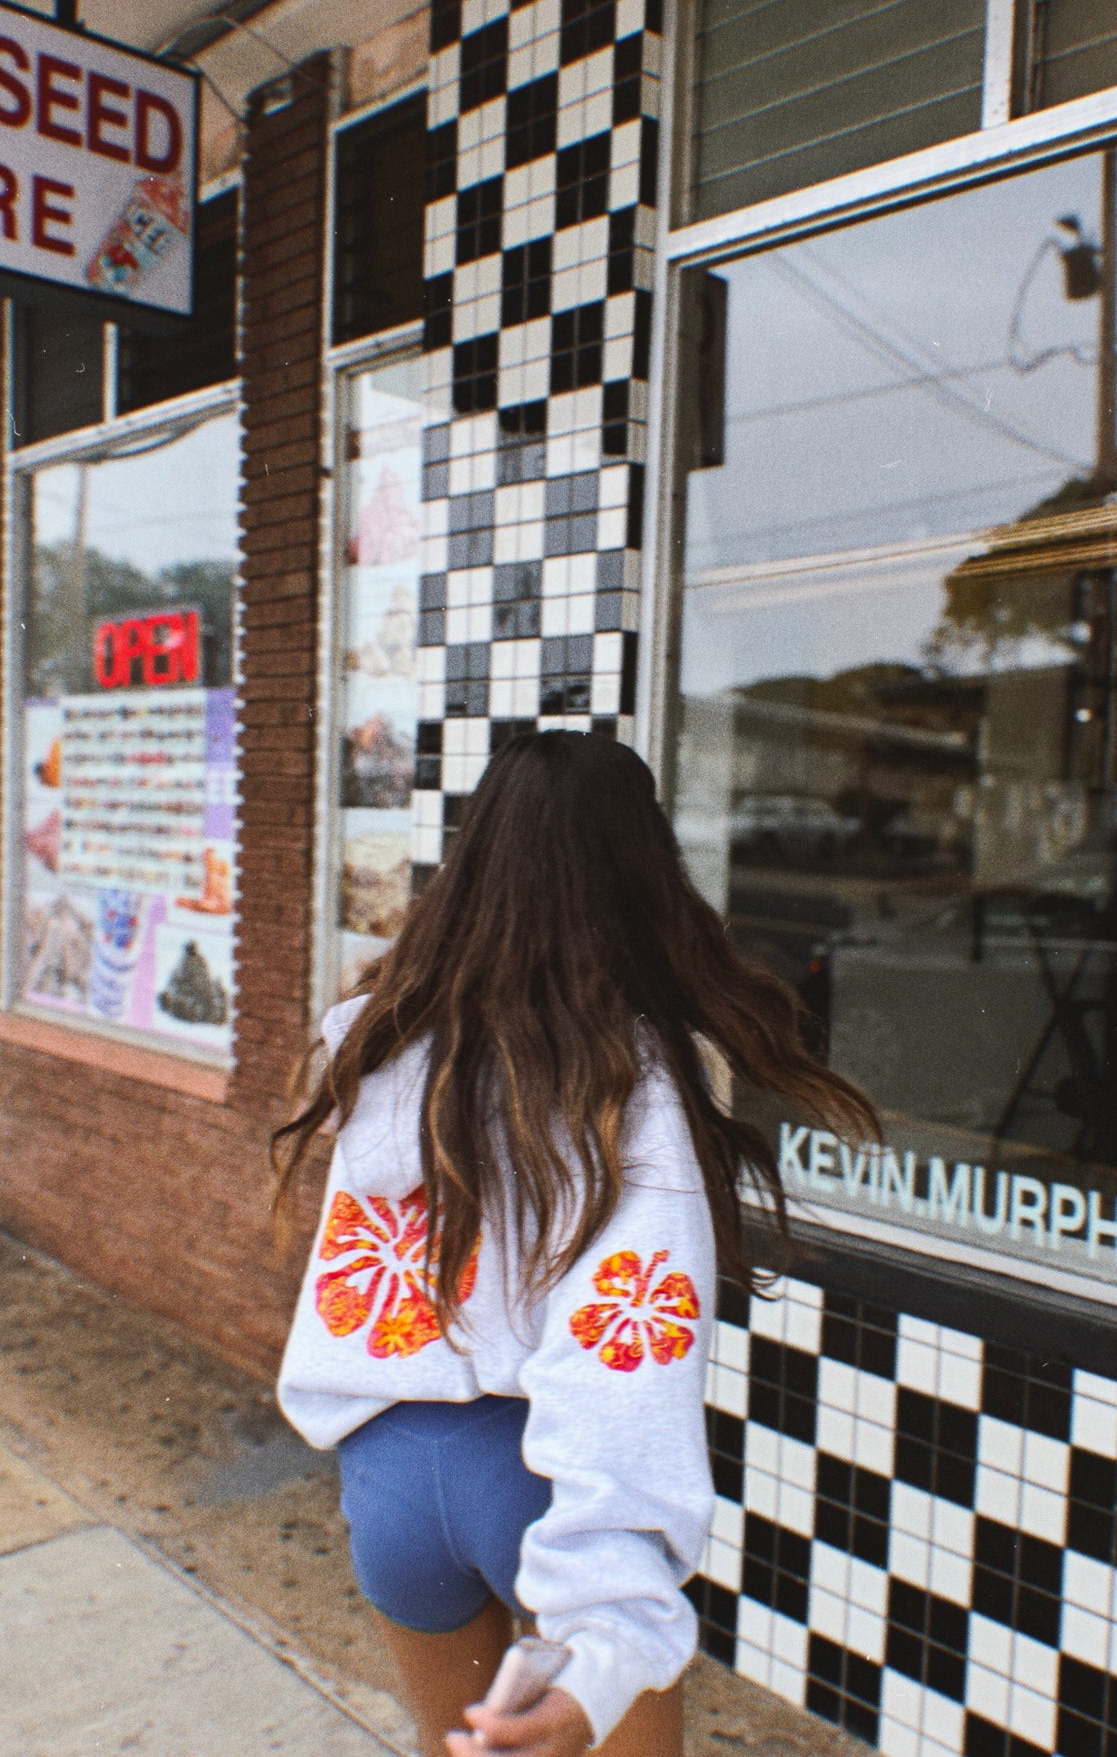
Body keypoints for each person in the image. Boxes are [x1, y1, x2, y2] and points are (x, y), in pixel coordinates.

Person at [273, 732, 875, 1756]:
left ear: (471, 864)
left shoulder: (378, 1038)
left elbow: (355, 1279)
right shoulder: (625, 1091)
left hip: (387, 1479)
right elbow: (621, 1363)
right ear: (643, 873)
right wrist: (608, 1638)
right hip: (537, 1490)